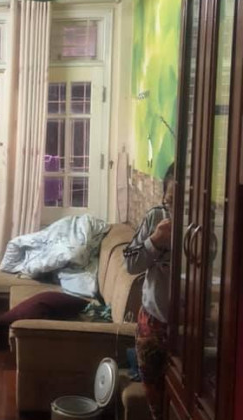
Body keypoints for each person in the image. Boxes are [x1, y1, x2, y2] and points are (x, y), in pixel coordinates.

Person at [124, 163, 174, 420]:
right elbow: (130, 262)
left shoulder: (207, 225)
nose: (175, 210)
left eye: (184, 203)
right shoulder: (156, 217)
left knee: (184, 401)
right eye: (170, 201)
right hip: (152, 325)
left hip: (192, 331)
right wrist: (154, 241)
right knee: (156, 402)